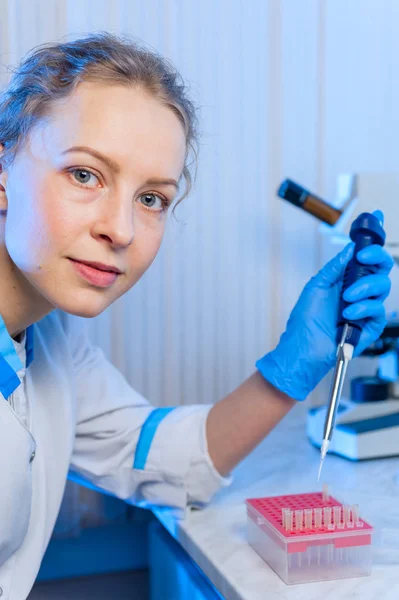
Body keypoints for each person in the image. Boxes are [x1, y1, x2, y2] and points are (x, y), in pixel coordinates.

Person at [0, 32, 393, 599]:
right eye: (85, 174)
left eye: (152, 198)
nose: (122, 230)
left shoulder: (49, 339)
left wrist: (289, 370)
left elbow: (153, 456)